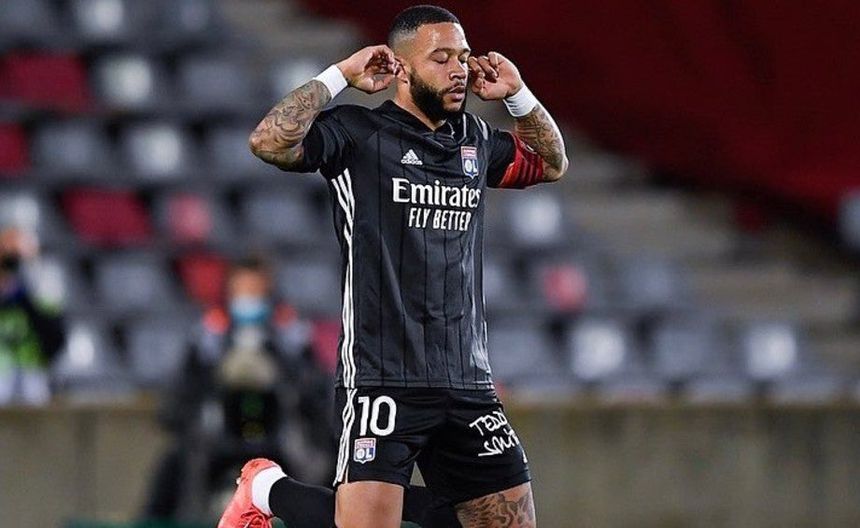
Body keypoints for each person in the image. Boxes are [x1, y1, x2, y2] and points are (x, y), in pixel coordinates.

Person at [220, 5, 568, 528]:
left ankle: (274, 490)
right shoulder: (358, 133)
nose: (458, 70)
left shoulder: (474, 140)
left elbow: (552, 163)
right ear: (401, 68)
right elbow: (268, 140)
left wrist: (518, 95)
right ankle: (265, 489)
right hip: (383, 377)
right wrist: (340, 75)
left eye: (463, 57)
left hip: (466, 379)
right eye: (441, 58)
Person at [144, 257, 330, 520]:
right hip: (218, 435)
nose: (249, 298)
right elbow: (187, 387)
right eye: (243, 290)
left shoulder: (290, 333)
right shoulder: (210, 334)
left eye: (255, 290)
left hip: (281, 433)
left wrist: (277, 353)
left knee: (327, 463)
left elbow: (312, 385)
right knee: (175, 464)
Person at [0, 227, 65, 405]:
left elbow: (54, 332)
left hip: (32, 368)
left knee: (34, 397)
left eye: (17, 258)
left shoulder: (41, 285)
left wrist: (25, 295)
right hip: (2, 368)